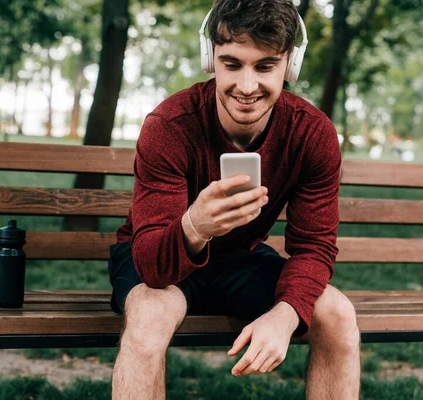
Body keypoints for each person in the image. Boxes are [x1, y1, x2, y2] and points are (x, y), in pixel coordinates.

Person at [107, 0, 361, 399]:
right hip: (158, 256)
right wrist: (195, 226)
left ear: (289, 66)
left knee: (337, 314)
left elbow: (313, 247)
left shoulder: (312, 134)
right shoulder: (169, 125)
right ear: (210, 59)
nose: (246, 87)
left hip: (240, 259)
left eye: (264, 66)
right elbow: (152, 266)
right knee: (149, 313)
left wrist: (285, 314)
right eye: (232, 64)